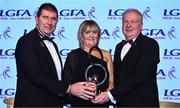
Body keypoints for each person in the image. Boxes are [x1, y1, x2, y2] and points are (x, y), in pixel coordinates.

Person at [14, 3, 95, 107]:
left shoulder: (53, 45)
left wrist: (82, 85)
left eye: (53, 18)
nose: (49, 22)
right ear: (37, 19)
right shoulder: (27, 41)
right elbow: (36, 75)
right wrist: (69, 88)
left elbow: (57, 77)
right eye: (45, 17)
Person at [92, 8, 160, 107]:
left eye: (133, 22)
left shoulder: (149, 44)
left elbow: (139, 76)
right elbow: (115, 76)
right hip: (121, 104)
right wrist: (95, 84)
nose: (128, 25)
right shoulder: (119, 47)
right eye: (125, 21)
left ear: (141, 25)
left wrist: (110, 94)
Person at [62, 20, 114, 107]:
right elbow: (67, 84)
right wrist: (84, 86)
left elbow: (111, 82)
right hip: (80, 104)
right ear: (81, 35)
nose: (91, 35)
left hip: (101, 103)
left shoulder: (106, 55)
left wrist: (104, 96)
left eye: (95, 32)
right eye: (87, 32)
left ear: (99, 35)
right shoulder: (74, 56)